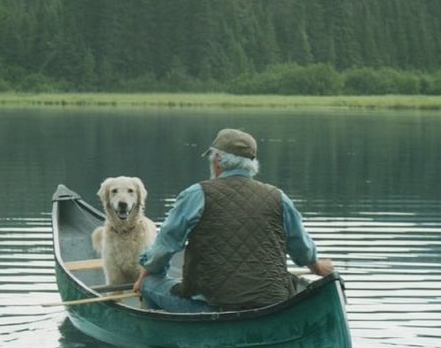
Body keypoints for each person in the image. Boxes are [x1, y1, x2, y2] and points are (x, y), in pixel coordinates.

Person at [133, 128, 334, 313]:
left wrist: (147, 271)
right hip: (272, 303)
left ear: (218, 160)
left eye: (212, 158)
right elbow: (300, 245)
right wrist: (316, 266)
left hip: (212, 306)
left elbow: (166, 245)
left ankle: (159, 343)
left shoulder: (197, 194)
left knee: (150, 283)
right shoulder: (278, 197)